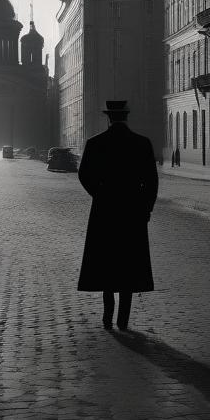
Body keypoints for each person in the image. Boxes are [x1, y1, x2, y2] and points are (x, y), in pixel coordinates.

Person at [77, 100, 158, 330]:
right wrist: (146, 207)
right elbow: (152, 180)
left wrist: (99, 194)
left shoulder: (95, 143)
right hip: (132, 211)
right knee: (129, 266)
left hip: (105, 211)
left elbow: (84, 175)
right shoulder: (142, 143)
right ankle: (123, 319)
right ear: (126, 117)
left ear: (108, 118)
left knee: (106, 264)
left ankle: (107, 316)